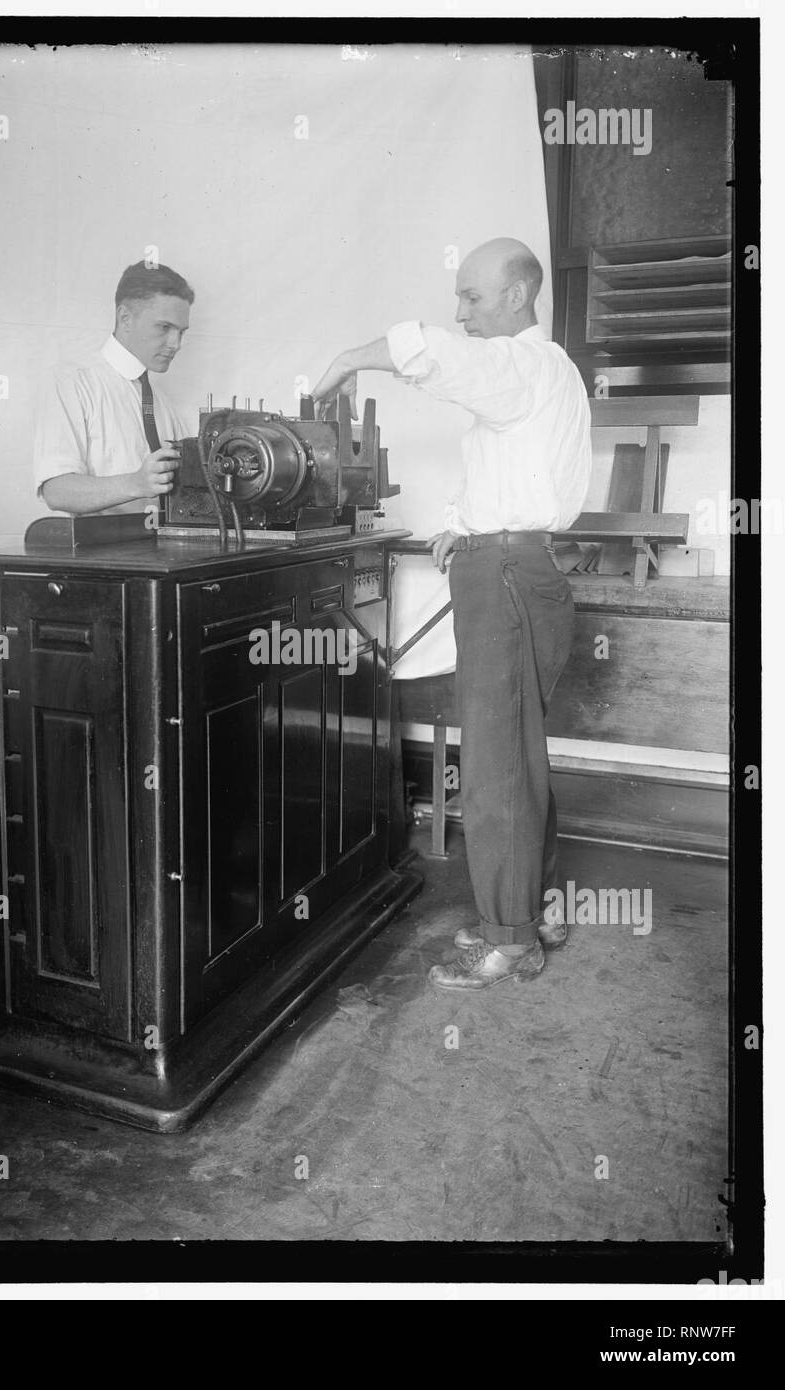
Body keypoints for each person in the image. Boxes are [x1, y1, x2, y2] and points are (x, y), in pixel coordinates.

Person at [312, 238, 592, 990]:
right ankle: (533, 910)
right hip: (519, 564)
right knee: (520, 753)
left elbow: (429, 351)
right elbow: (520, 468)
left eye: (472, 296)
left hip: (502, 576)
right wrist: (462, 523)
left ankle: (508, 940)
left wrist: (348, 358)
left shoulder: (519, 363)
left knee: (496, 763)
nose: (459, 310)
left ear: (516, 297)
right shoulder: (552, 371)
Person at [34, 260, 194, 515]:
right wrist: (136, 483)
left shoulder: (163, 403)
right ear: (125, 318)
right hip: (97, 552)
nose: (175, 344)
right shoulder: (71, 382)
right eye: (164, 327)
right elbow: (56, 489)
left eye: (181, 332)